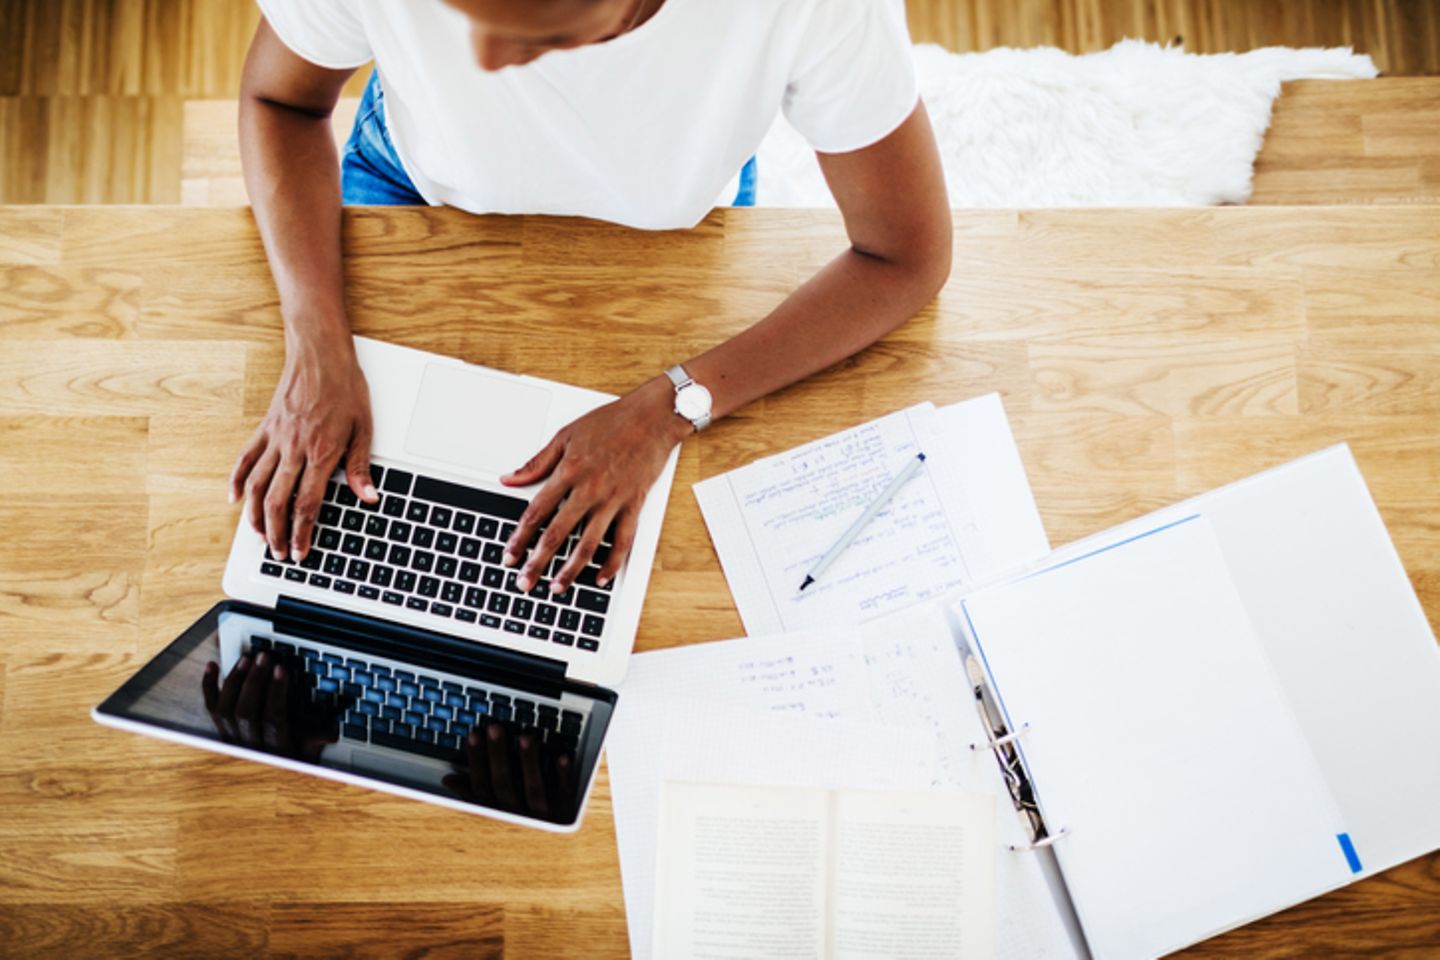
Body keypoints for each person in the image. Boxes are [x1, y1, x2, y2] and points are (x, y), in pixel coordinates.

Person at [229, 0, 952, 599]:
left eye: (535, 31)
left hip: (675, 234)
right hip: (413, 192)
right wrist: (316, 338)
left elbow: (906, 256)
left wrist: (673, 404)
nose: (484, 61)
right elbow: (279, 99)